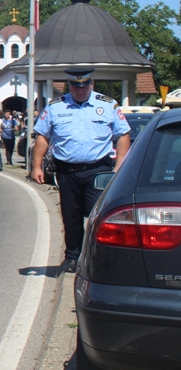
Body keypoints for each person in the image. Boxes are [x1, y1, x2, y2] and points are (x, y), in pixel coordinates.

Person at [32, 68, 131, 274]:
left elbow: (123, 135)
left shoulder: (107, 105)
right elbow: (43, 137)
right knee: (71, 217)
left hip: (98, 171)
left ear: (91, 84)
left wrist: (119, 166)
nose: (80, 90)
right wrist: (36, 166)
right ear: (69, 85)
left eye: (84, 86)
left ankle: (100, 256)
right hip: (67, 172)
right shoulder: (56, 107)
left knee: (99, 216)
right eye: (75, 86)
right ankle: (72, 257)